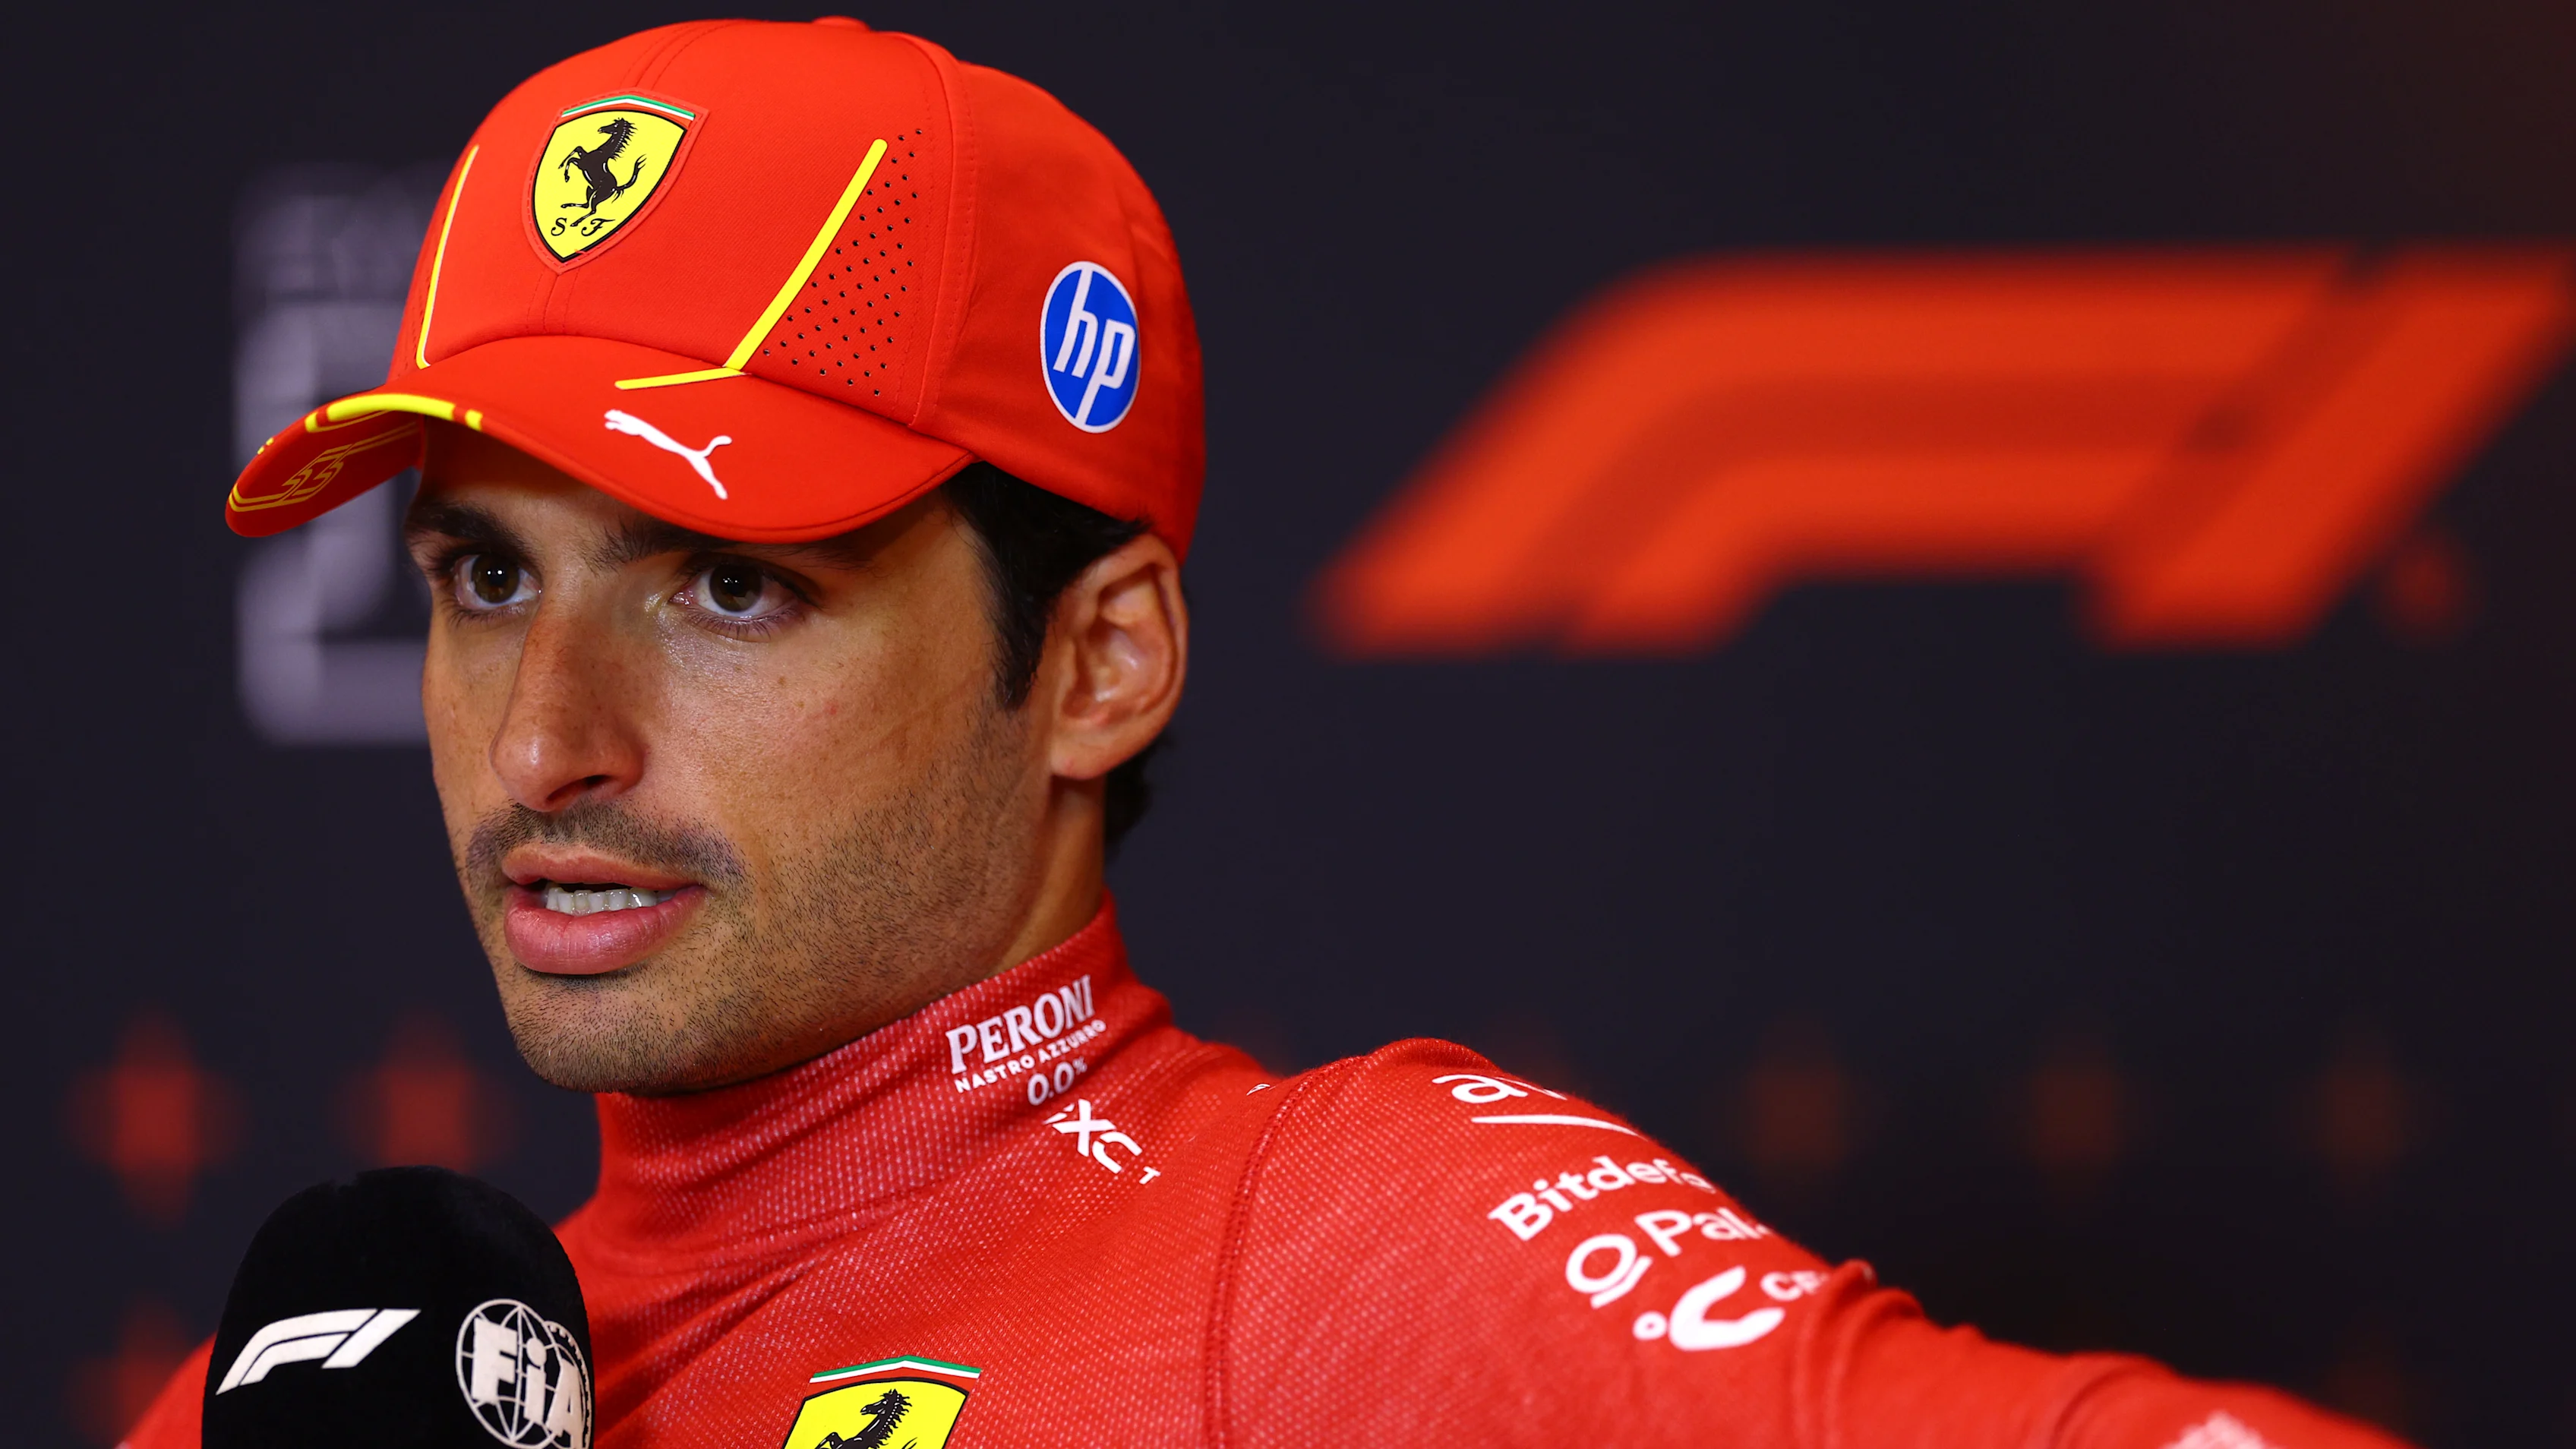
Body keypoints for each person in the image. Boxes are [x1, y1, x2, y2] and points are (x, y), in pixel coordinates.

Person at [128, 18, 2401, 1449]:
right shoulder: (307, 1393)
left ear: (1101, 659)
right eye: (483, 576)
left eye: (731, 581)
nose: (544, 743)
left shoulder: (1326, 1261)